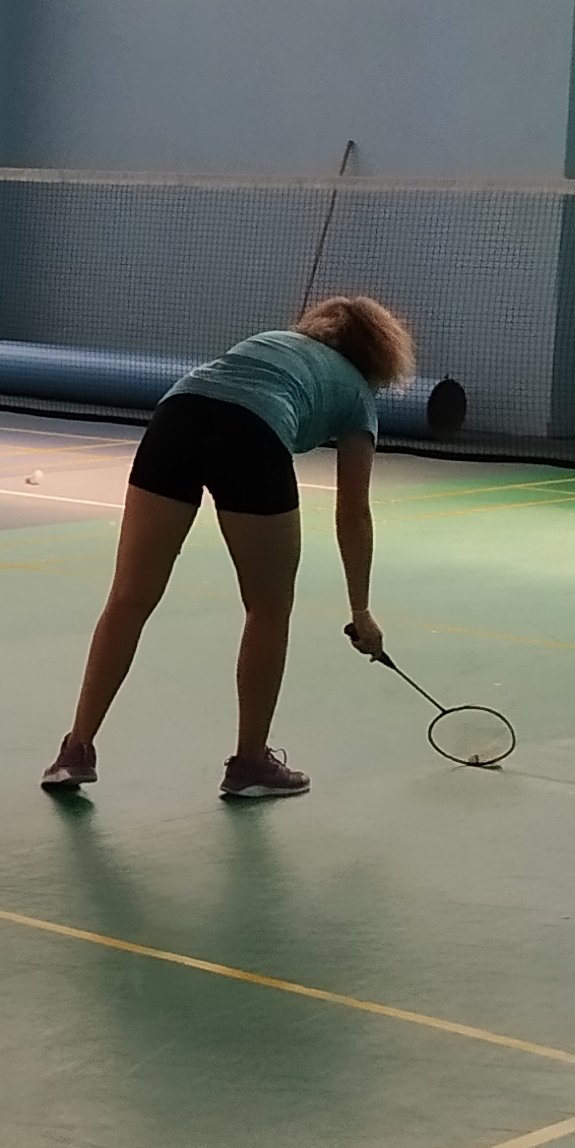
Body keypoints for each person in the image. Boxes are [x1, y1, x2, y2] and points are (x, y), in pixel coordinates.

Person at [43, 293, 415, 803]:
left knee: (129, 596)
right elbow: (353, 512)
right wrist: (361, 611)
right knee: (269, 607)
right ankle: (250, 763)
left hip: (176, 417)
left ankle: (75, 751)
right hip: (251, 434)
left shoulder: (275, 343)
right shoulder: (358, 394)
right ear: (379, 354)